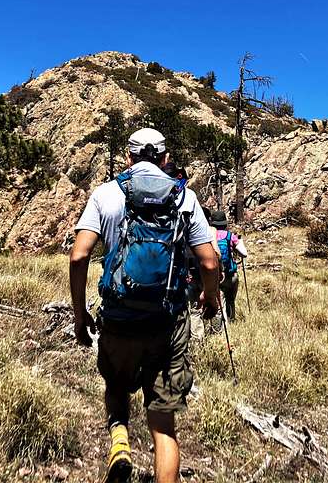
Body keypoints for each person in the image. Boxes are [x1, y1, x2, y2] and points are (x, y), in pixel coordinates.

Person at [69, 128, 220, 483]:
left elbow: (78, 257)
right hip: (166, 323)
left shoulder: (106, 194)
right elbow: (210, 262)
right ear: (166, 159)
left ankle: (119, 442)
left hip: (119, 317)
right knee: (164, 426)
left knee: (117, 386)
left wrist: (80, 315)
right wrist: (209, 297)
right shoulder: (185, 197)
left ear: (128, 157)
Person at [209, 210, 248, 322]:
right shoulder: (230, 236)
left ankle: (221, 325)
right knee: (230, 300)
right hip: (231, 274)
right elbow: (244, 254)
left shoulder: (210, 236)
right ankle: (231, 321)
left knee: (220, 302)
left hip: (215, 275)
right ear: (225, 224)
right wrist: (240, 242)